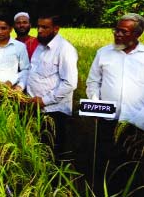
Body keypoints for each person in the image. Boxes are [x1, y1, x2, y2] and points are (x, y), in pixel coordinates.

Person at [85, 13, 144, 195]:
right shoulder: (103, 53)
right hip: (107, 120)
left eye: (123, 31)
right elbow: (93, 82)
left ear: (137, 34)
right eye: (116, 30)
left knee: (132, 164)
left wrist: (139, 118)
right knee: (104, 159)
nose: (117, 34)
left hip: (136, 124)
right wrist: (95, 103)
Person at [26, 14, 78, 156]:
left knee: (51, 153)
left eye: (45, 27)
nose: (40, 30)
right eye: (38, 27)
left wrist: (44, 100)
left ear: (56, 29)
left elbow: (69, 83)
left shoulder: (65, 50)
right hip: (34, 109)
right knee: (36, 152)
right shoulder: (40, 47)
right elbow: (32, 72)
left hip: (53, 112)